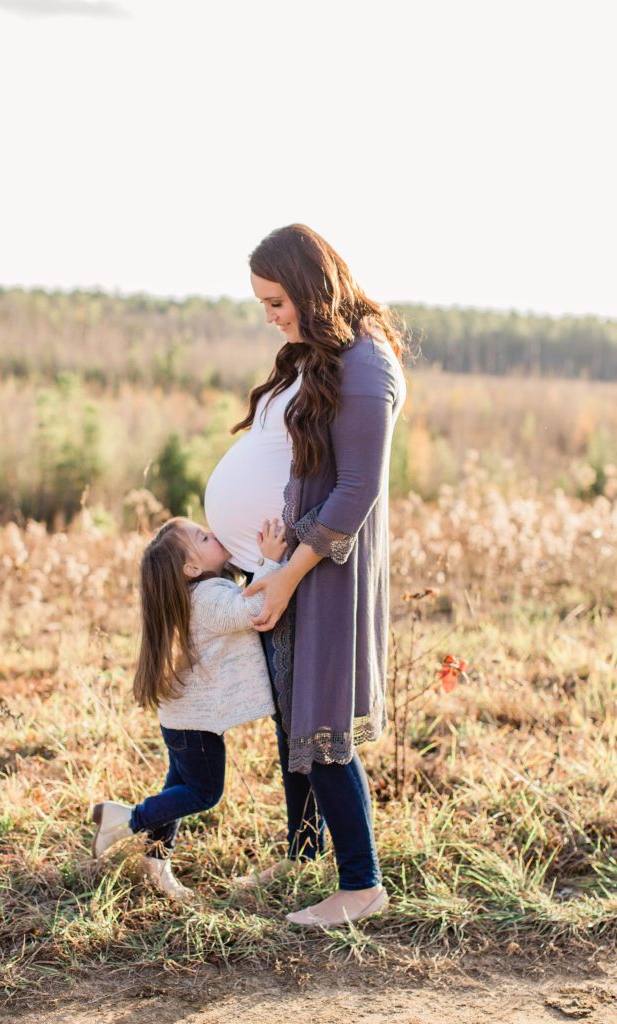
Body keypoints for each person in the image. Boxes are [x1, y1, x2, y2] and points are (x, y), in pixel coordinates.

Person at [204, 224, 407, 928]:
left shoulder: (366, 365)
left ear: (311, 289)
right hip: (283, 561)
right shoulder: (321, 355)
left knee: (320, 722)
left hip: (323, 569)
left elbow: (355, 490)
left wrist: (290, 572)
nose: (270, 317)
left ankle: (360, 884)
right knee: (293, 714)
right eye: (263, 304)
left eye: (276, 301)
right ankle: (300, 851)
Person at [90, 516, 285, 897]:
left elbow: (241, 600)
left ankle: (157, 865)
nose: (216, 534)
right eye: (205, 537)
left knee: (177, 791)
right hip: (195, 724)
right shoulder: (210, 598)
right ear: (192, 567)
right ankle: (127, 819)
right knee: (204, 792)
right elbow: (255, 609)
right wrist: (271, 563)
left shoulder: (199, 592)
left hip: (182, 719)